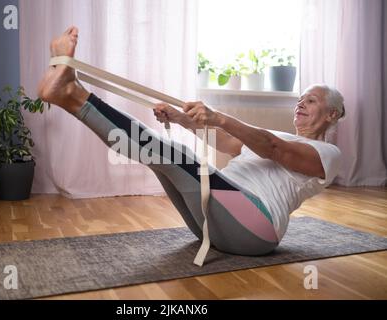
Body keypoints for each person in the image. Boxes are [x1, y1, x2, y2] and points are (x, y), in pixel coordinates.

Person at [38, 27, 345, 256]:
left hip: (256, 230)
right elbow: (226, 142)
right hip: (213, 225)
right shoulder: (279, 136)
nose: (300, 105)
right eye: (300, 100)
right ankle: (73, 89)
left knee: (174, 155)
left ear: (332, 114)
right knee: (159, 157)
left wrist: (219, 116)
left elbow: (273, 148)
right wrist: (180, 119)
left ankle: (72, 96)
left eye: (312, 101)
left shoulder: (328, 154)